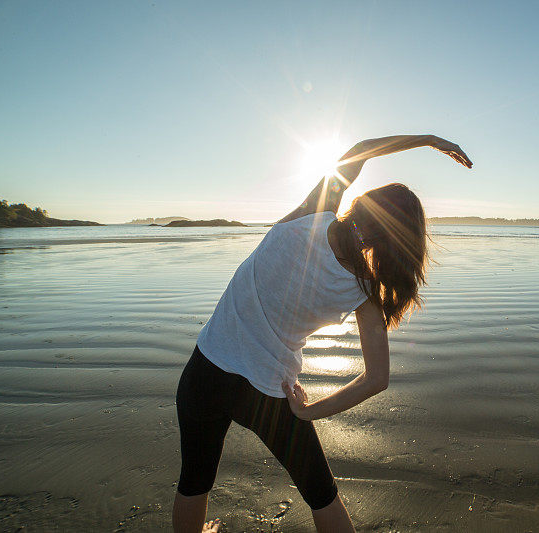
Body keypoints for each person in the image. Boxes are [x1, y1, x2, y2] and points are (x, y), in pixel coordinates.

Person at [172, 134, 473, 533]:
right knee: (321, 494)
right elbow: (377, 379)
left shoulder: (310, 214)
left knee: (195, 480)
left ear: (364, 204)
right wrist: (309, 411)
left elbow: (360, 148)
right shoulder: (365, 292)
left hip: (206, 368)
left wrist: (429, 140)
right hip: (269, 392)